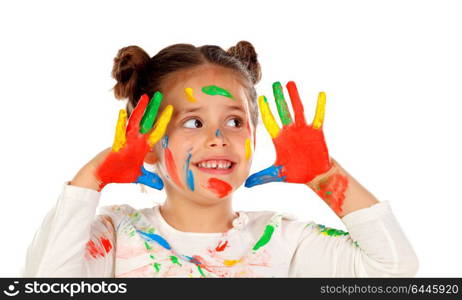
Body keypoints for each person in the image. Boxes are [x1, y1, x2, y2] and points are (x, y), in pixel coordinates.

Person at [22, 41, 419, 277]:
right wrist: (94, 176)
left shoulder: (283, 240)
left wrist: (326, 177)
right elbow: (45, 283)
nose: (218, 138)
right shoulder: (113, 234)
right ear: (148, 139)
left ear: (255, 134)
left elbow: (394, 271)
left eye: (234, 120)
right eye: (193, 122)